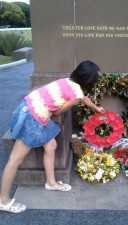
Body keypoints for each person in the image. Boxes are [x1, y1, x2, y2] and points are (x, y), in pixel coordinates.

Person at [0, 60, 105, 213]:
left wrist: (96, 108)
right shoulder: (76, 95)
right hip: (33, 118)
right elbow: (57, 111)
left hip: (29, 106)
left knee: (51, 145)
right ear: (89, 81)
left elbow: (83, 97)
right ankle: (4, 200)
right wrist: (73, 102)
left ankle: (51, 182)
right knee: (15, 160)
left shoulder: (67, 81)